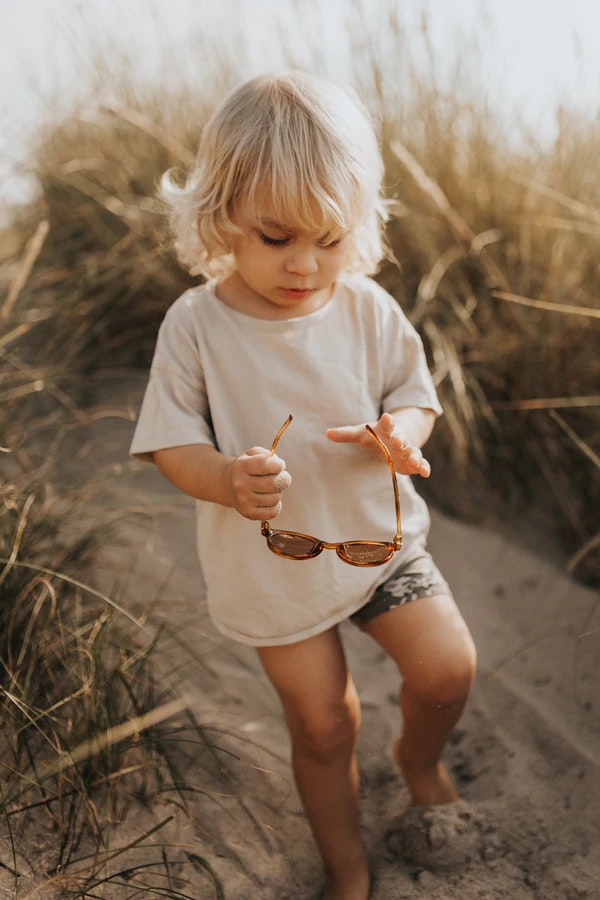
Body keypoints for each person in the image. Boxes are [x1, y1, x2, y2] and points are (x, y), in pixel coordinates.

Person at [130, 71, 477, 900]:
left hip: (378, 539)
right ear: (220, 219)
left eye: (327, 237)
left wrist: (404, 437)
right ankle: (346, 865)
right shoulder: (197, 326)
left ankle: (415, 760)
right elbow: (170, 441)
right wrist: (223, 477)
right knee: (325, 725)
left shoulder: (364, 308)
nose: (304, 263)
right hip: (275, 562)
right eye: (277, 237)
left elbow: (413, 392)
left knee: (448, 669)